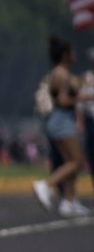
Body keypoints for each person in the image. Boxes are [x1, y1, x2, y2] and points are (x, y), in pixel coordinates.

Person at [35, 36, 87, 216]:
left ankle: (69, 201)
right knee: (77, 161)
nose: (74, 55)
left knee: (69, 162)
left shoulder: (59, 73)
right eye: (71, 52)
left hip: (58, 120)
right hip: (61, 120)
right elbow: (64, 100)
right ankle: (46, 185)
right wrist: (85, 97)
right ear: (65, 55)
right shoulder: (62, 74)